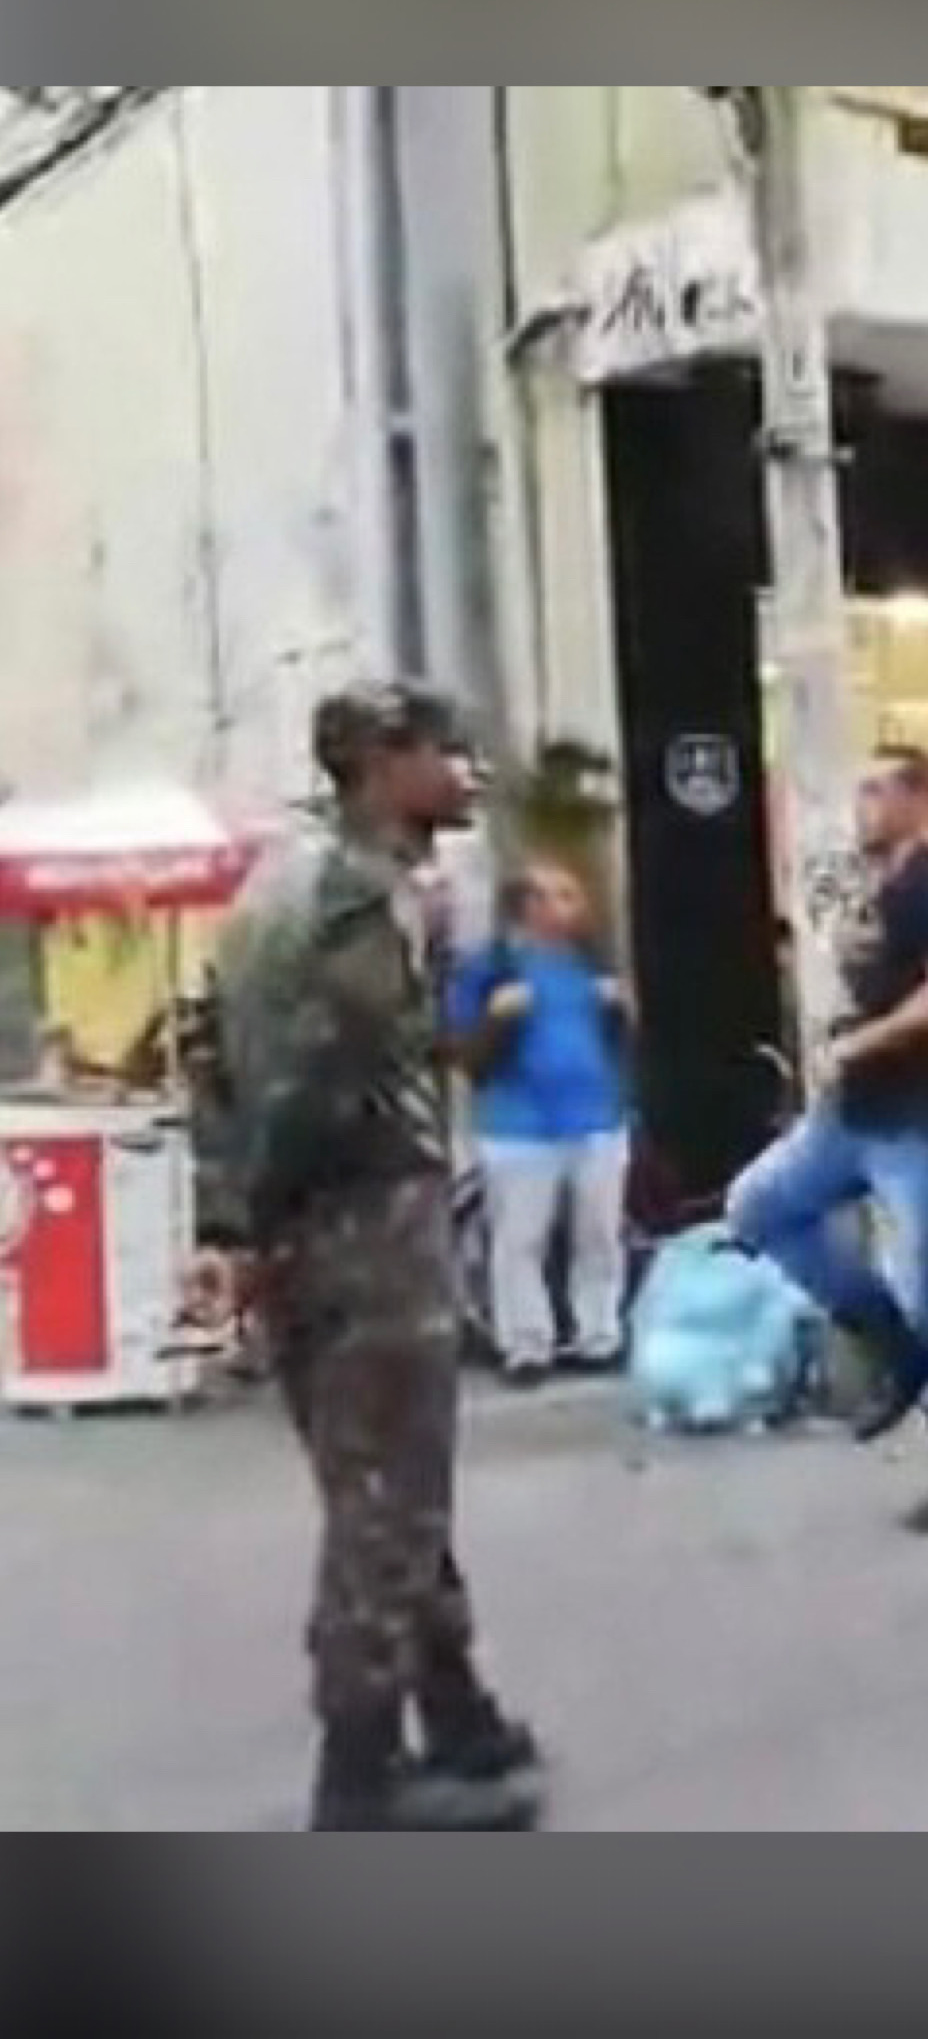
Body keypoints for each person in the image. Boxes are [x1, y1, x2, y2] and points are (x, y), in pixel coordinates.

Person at [206, 682, 541, 1830]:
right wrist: (260, 1223)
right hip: (362, 1226)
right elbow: (319, 1083)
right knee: (387, 1504)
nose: (467, 772)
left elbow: (214, 1055)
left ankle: (458, 1711)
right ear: (382, 763)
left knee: (390, 1483)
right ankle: (359, 1775)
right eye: (447, 751)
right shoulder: (355, 894)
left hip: (313, 1225)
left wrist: (233, 1225)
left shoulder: (272, 884)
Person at [725, 747, 928, 1534]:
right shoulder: (881, 886)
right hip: (857, 1114)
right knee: (757, 1205)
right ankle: (893, 1343)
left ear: (921, 800)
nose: (861, 804)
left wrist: (862, 1043)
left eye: (876, 790)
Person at [447, 861, 635, 1384]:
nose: (576, 907)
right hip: (519, 1124)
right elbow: (462, 1053)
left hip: (595, 1116)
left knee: (599, 1235)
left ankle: (600, 1335)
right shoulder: (492, 966)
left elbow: (619, 1041)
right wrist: (497, 1018)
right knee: (519, 1239)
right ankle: (527, 1344)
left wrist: (620, 1012)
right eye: (562, 896)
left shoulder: (588, 964)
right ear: (530, 907)